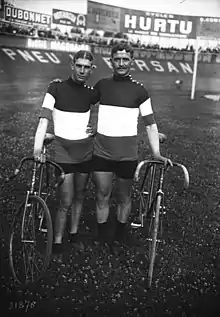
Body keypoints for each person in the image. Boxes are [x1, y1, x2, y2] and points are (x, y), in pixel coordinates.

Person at [92, 42, 172, 249]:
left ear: (131, 62)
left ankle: (120, 234)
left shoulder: (140, 91)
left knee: (123, 196)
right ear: (111, 61)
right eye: (117, 59)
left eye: (125, 59)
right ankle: (102, 237)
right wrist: (61, 84)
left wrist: (157, 153)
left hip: (127, 155)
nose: (121, 63)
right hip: (101, 152)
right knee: (102, 194)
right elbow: (81, 99)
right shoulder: (101, 85)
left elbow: (151, 124)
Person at [33, 50, 99, 255]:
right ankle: (58, 241)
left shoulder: (92, 93)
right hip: (64, 153)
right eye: (79, 65)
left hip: (86, 152)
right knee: (65, 200)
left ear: (91, 69)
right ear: (72, 65)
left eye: (86, 67)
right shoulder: (55, 87)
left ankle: (74, 233)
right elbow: (43, 119)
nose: (82, 70)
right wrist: (37, 148)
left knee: (80, 196)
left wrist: (95, 128)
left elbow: (110, 114)